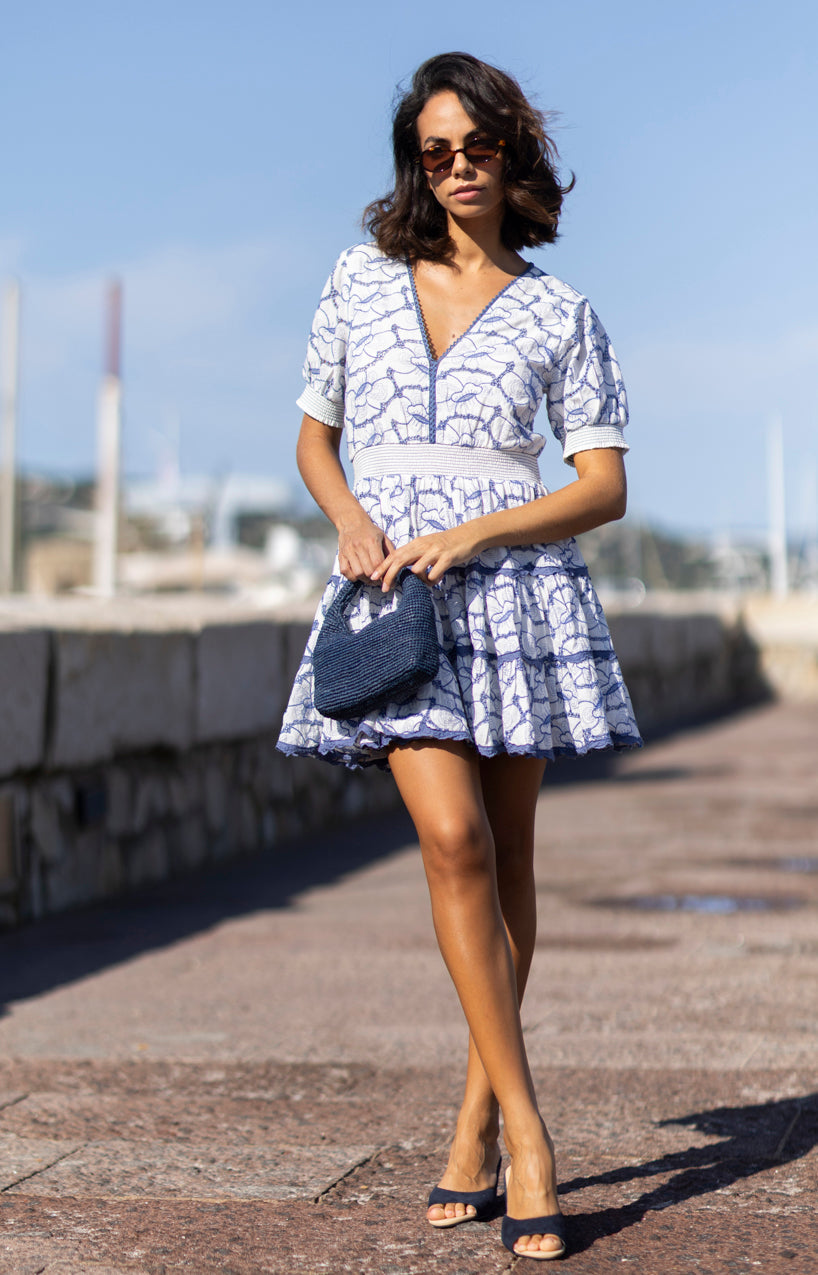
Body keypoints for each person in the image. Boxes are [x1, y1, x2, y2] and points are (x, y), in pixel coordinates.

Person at [277, 51, 641, 1261]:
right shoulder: (360, 278)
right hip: (392, 595)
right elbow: (314, 439)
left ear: (510, 152)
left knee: (509, 855)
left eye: (475, 147)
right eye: (433, 152)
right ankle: (531, 1134)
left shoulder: (558, 312)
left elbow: (601, 489)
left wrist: (477, 532)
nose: (455, 168)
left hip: (517, 590)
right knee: (452, 840)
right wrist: (350, 521)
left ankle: (476, 1122)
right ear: (414, 164)